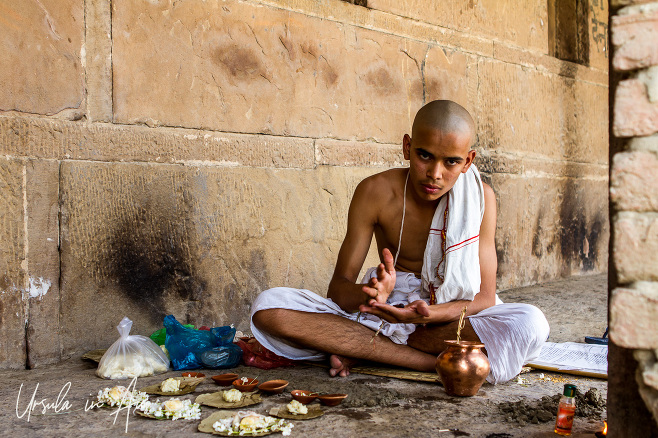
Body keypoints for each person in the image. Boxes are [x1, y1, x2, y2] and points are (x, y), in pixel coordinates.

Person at [251, 100, 549, 384]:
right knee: (268, 309)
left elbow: (483, 298)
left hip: (447, 314)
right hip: (386, 309)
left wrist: (426, 316)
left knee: (530, 324)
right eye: (425, 156)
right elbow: (339, 290)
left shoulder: (481, 199)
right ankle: (437, 363)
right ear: (407, 147)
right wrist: (371, 296)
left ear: (468, 161)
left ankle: (368, 350)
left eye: (452, 162)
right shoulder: (374, 192)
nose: (435, 174)